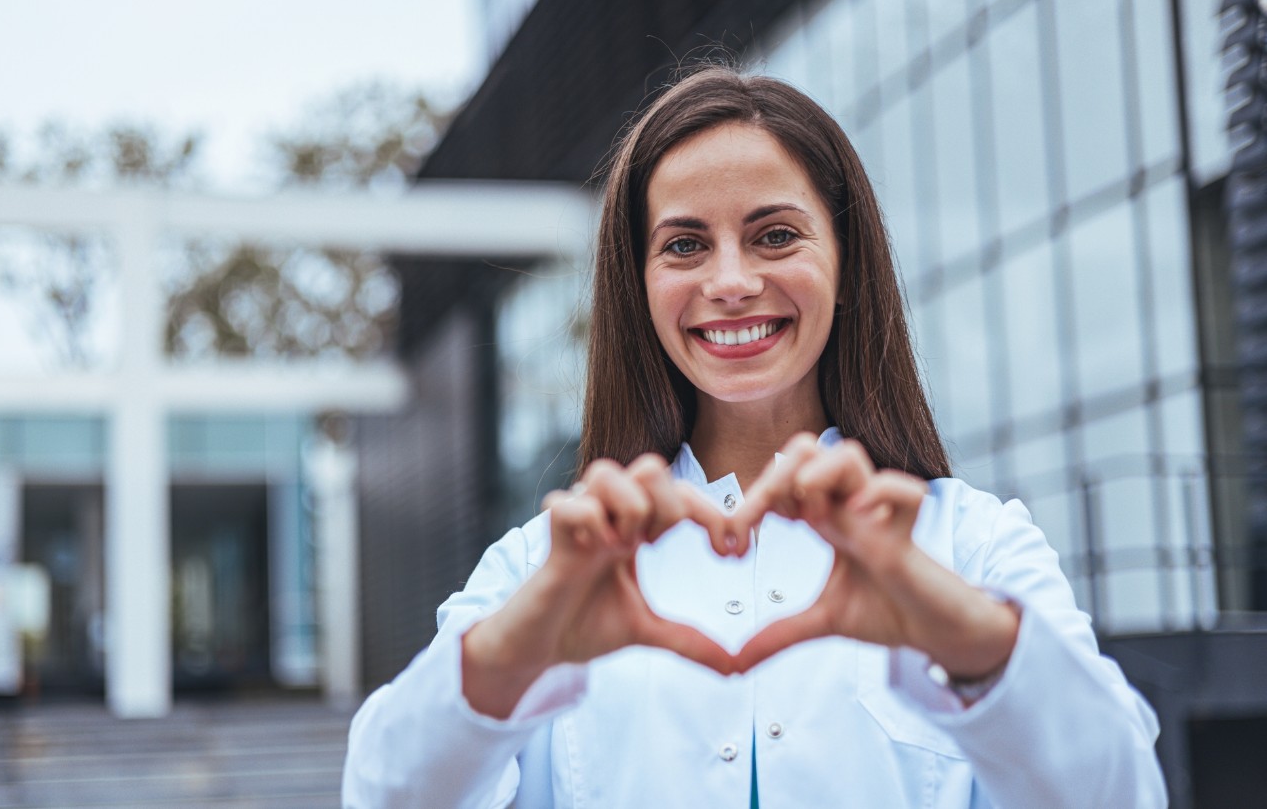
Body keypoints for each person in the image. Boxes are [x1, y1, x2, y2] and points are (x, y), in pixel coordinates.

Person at [342, 66, 1167, 808]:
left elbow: (1121, 791)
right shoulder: (540, 571)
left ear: (847, 266)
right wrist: (516, 653)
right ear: (640, 287)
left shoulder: (974, 546)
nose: (730, 283)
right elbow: (384, 794)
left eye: (775, 235)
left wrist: (964, 637)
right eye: (684, 245)